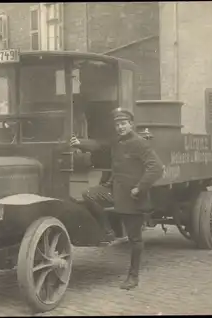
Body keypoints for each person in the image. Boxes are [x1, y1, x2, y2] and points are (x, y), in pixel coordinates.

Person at [70, 108, 164, 290]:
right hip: (115, 191)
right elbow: (100, 145)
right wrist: (79, 143)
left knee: (134, 240)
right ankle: (108, 231)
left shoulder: (140, 144)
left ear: (131, 124)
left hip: (133, 197)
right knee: (89, 194)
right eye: (117, 124)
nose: (120, 127)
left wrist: (140, 187)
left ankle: (133, 277)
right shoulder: (117, 142)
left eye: (123, 124)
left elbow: (156, 168)